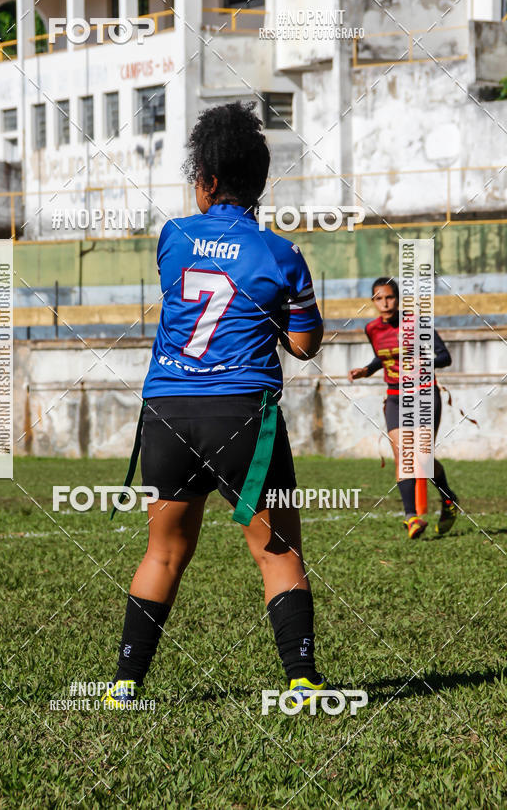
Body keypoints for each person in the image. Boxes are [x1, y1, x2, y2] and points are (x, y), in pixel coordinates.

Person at [105, 102, 325, 708]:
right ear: (260, 183)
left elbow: (194, 293)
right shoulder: (282, 253)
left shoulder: (172, 237)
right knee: (277, 551)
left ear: (203, 179)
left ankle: (126, 685)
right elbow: (304, 347)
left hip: (169, 410)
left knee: (164, 551)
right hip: (242, 415)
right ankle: (302, 682)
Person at [348, 277, 459, 539]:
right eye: (378, 298)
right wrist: (368, 369)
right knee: (402, 455)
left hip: (424, 394)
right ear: (373, 301)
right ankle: (411, 517)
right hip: (395, 396)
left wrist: (422, 361)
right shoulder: (372, 329)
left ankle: (448, 499)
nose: (384, 303)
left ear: (398, 299)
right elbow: (384, 355)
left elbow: (445, 357)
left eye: (389, 297)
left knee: (422, 458)